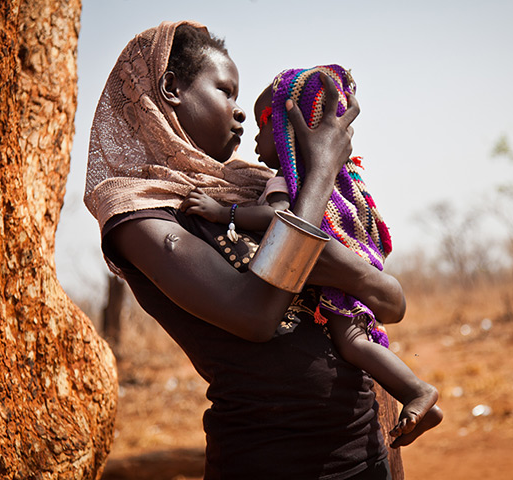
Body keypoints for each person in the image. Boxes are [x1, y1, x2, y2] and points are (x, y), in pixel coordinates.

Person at [84, 20, 431, 479]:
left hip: (364, 447)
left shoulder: (252, 189)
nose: (241, 111)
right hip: (269, 455)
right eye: (225, 91)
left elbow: (390, 302)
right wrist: (323, 170)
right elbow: (256, 316)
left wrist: (350, 266)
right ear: (171, 88)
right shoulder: (138, 213)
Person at [182, 65, 443, 441]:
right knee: (358, 340)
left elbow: (279, 217)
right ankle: (420, 396)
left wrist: (224, 212)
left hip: (329, 280)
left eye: (264, 123)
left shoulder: (293, 182)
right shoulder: (336, 182)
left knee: (353, 342)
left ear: (289, 127)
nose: (255, 135)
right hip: (357, 273)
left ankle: (417, 391)